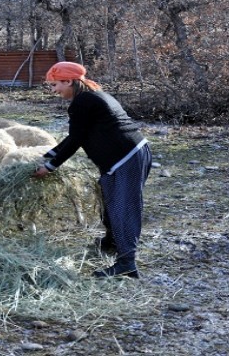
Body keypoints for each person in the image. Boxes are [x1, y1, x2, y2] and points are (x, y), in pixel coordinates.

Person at [33, 61, 152, 279]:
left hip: (126, 157)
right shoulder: (93, 96)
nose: (53, 91)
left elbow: (77, 139)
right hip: (129, 154)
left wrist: (50, 167)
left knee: (123, 208)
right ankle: (111, 242)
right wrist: (48, 155)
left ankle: (127, 263)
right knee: (109, 200)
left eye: (54, 85)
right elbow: (77, 135)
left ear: (68, 80)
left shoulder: (82, 101)